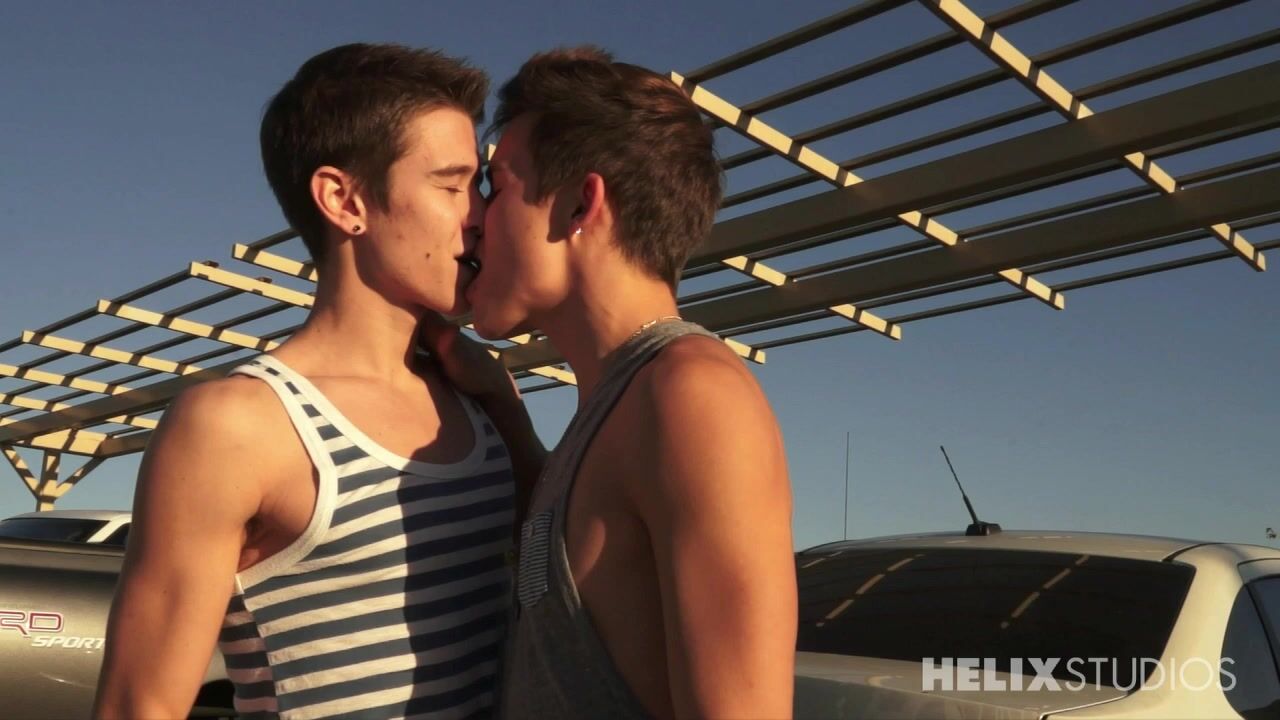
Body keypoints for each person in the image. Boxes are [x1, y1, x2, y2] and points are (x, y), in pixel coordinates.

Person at [93, 43, 543, 720]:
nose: (479, 215)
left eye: (477, 187)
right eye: (451, 186)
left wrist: (506, 409)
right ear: (344, 199)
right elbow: (140, 704)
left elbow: (566, 561)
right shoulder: (240, 423)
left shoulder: (478, 402)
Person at [444, 46, 797, 719]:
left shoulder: (693, 398)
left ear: (581, 203)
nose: (473, 218)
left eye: (497, 186)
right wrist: (504, 414)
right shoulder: (620, 405)